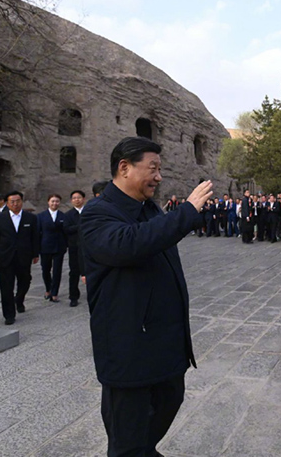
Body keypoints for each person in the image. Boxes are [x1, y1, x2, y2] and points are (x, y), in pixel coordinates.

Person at [80, 136, 212, 456]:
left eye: (160, 169)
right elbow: (130, 243)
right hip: (129, 350)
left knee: (167, 405)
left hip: (164, 346)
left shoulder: (150, 209)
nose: (159, 177)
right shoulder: (98, 212)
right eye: (152, 168)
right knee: (128, 438)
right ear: (124, 168)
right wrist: (187, 212)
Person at [0, 191, 40, 325]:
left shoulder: (30, 218)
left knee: (25, 281)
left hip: (24, 255)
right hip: (5, 256)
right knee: (6, 286)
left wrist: (35, 253)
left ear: (22, 202)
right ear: (7, 203)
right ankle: (9, 314)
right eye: (12, 201)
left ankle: (19, 299)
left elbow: (35, 237)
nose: (15, 204)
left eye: (18, 201)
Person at [38, 194, 67, 303]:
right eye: (52, 201)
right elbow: (38, 232)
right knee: (45, 269)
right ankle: (48, 289)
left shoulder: (63, 216)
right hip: (45, 246)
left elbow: (65, 232)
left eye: (57, 201)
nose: (55, 203)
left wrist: (65, 244)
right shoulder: (41, 216)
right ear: (48, 202)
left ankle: (54, 292)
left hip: (59, 246)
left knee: (57, 270)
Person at [63, 190, 86, 307]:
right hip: (74, 247)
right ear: (71, 200)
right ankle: (73, 296)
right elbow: (66, 229)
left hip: (88, 246)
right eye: (74, 198)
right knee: (74, 272)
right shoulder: (68, 215)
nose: (77, 200)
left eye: (79, 197)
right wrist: (80, 226)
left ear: (84, 199)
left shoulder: (89, 212)